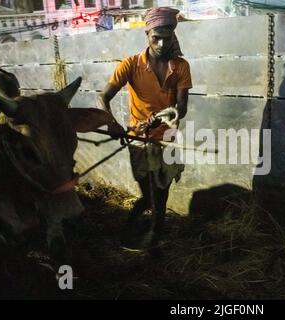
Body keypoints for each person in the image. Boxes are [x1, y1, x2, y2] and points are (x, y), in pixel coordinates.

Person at [97, 7, 192, 248]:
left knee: (161, 194)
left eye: (167, 37)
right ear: (147, 34)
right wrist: (112, 124)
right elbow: (103, 97)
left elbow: (182, 107)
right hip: (139, 140)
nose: (161, 43)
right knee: (149, 196)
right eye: (155, 37)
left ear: (173, 35)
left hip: (167, 138)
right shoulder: (130, 65)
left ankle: (154, 236)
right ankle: (134, 223)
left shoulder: (180, 66)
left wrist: (169, 114)